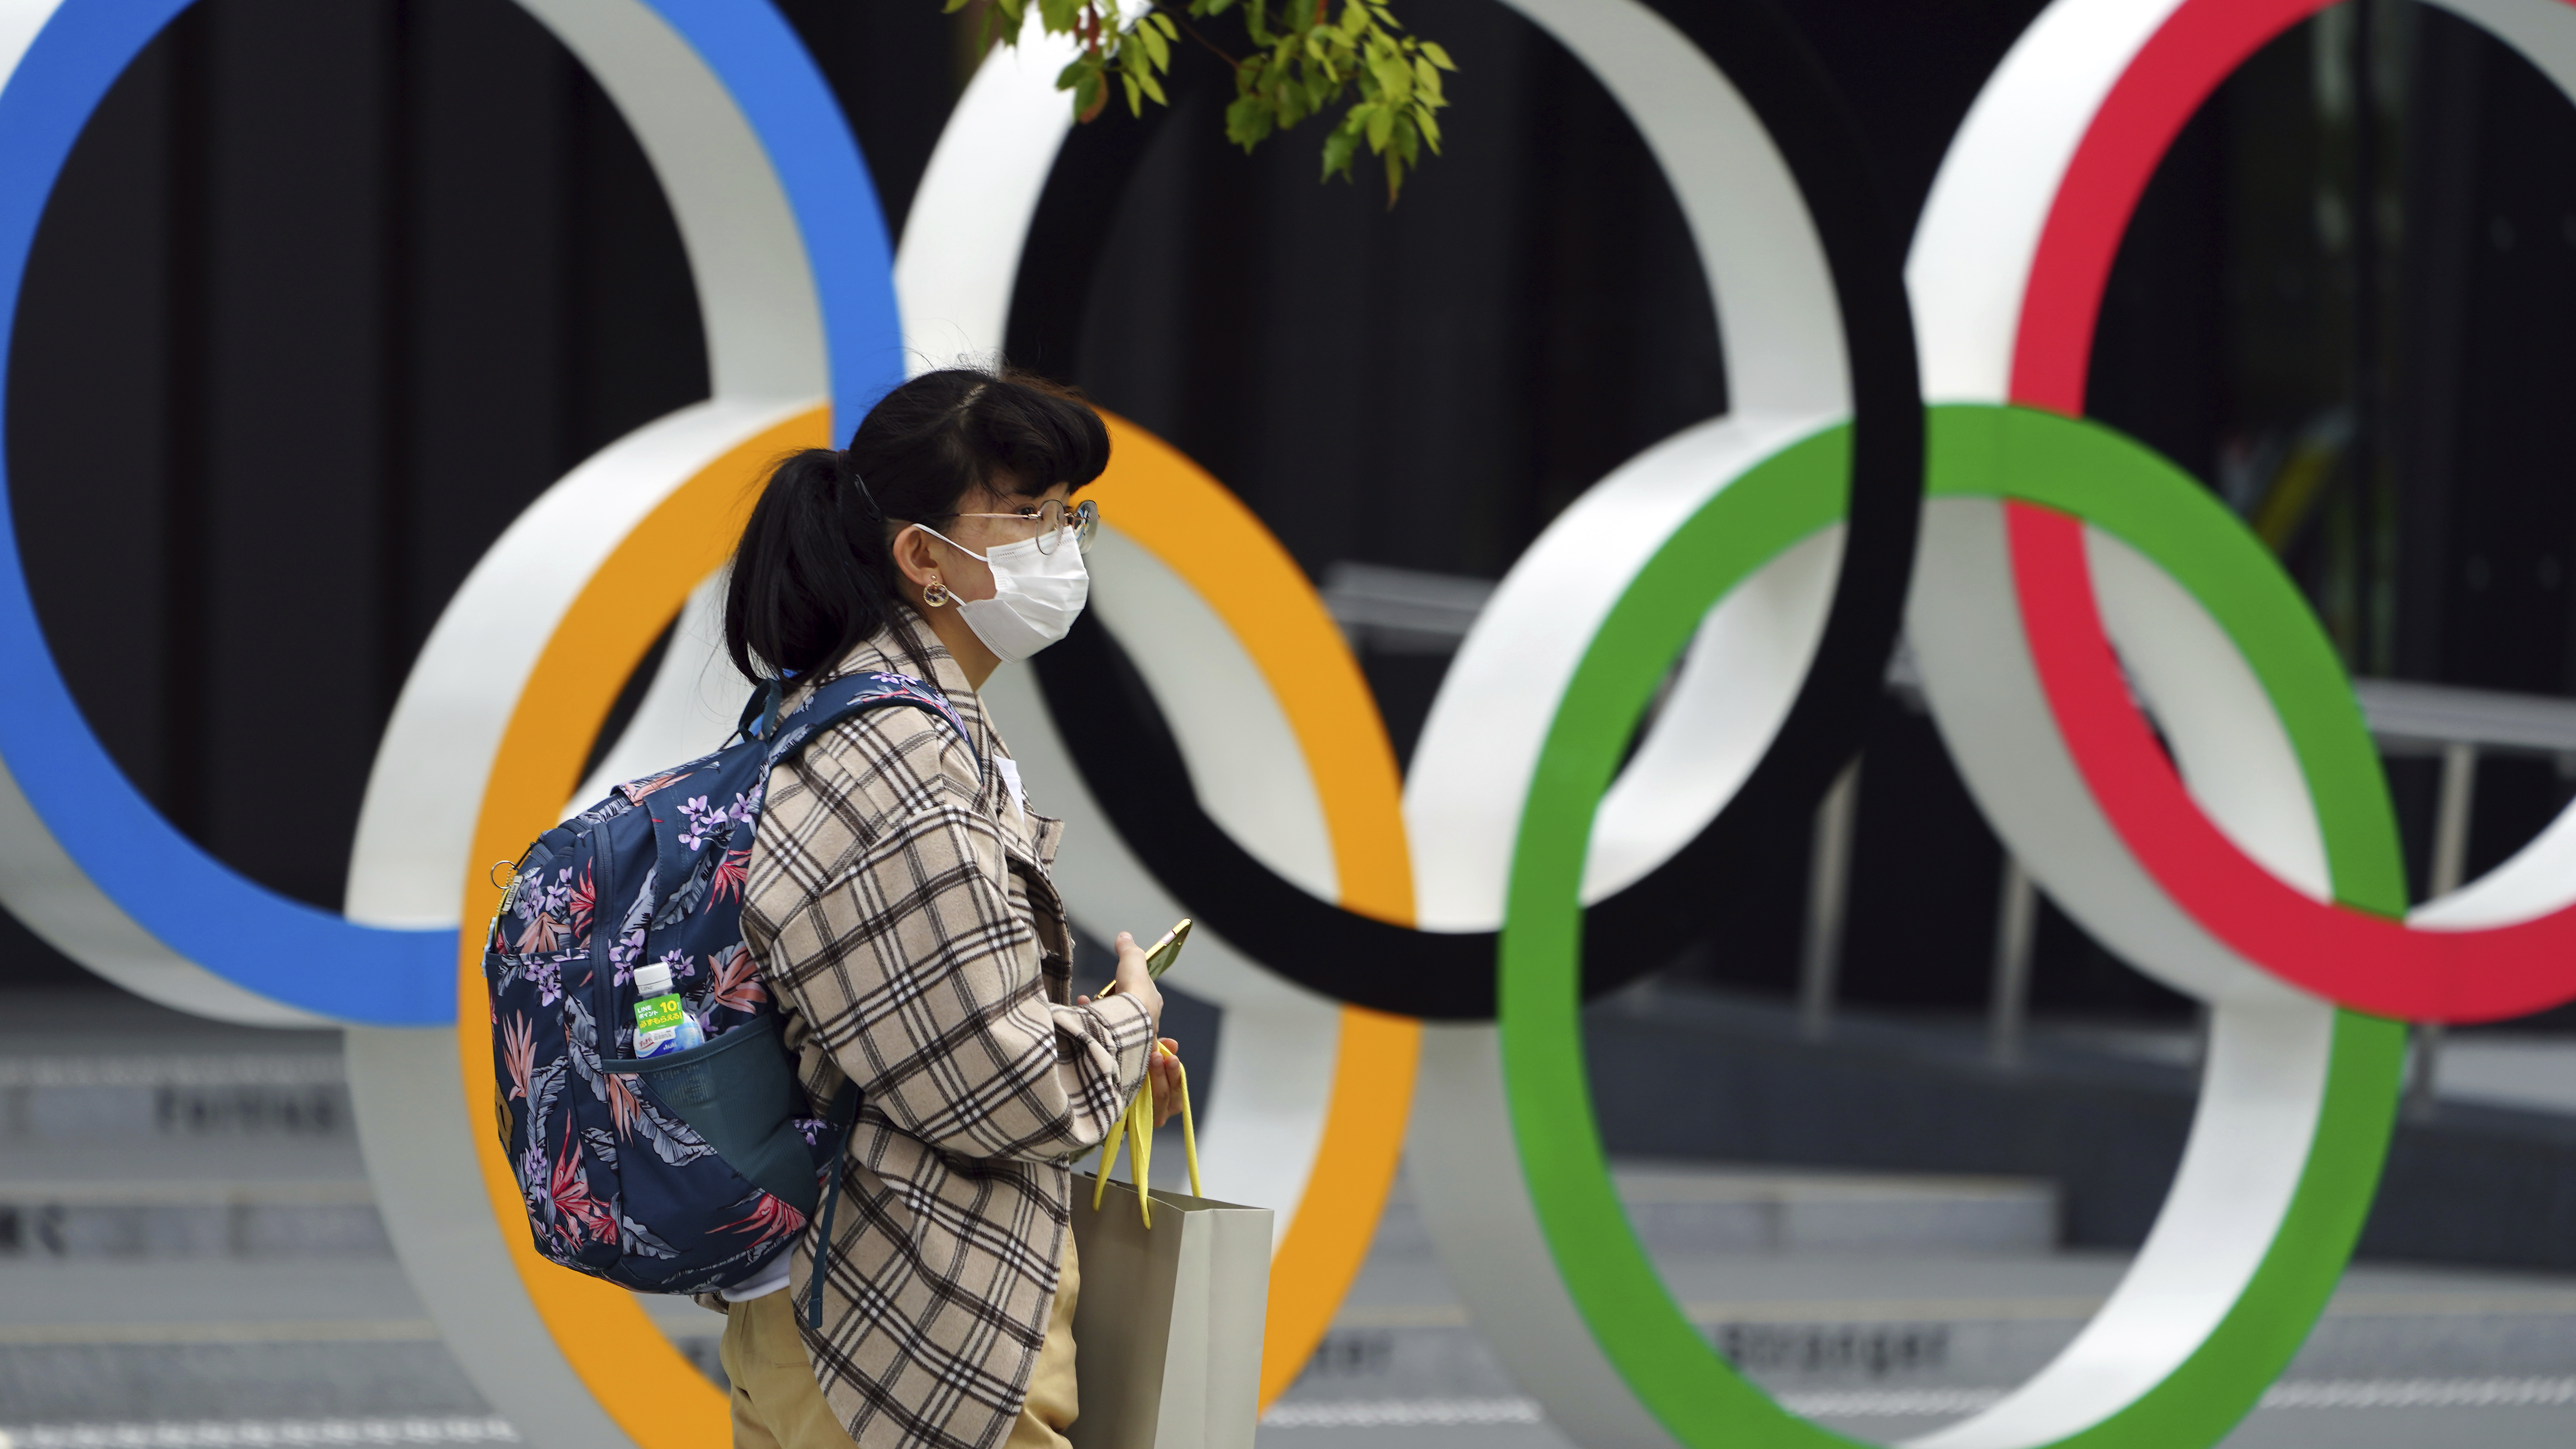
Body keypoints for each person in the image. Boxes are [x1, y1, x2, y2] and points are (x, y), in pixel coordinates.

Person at [717, 366, 1186, 1449]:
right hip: (914, 1342)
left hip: (842, 1316)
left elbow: (916, 1043)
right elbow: (1005, 1085)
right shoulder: (909, 759)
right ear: (922, 556)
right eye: (1027, 514)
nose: (1060, 542)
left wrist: (1095, 1064)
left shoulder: (839, 708)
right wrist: (1122, 1023)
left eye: (1070, 514)